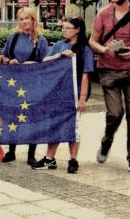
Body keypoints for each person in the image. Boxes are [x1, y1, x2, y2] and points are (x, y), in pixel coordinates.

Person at [89, 0, 130, 176]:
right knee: (114, 114)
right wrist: (103, 49)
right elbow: (92, 41)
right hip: (109, 70)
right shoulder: (103, 14)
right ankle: (106, 143)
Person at [37, 17, 95, 173]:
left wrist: (82, 98)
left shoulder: (85, 49)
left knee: (73, 126)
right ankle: (49, 158)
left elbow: (86, 75)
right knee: (55, 124)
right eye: (63, 28)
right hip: (58, 92)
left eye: (68, 28)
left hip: (75, 93)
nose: (64, 31)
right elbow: (45, 61)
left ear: (78, 30)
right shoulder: (59, 45)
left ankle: (73, 159)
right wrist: (59, 55)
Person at [1, 7, 49, 165]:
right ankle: (11, 151)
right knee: (13, 115)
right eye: (21, 19)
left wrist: (34, 64)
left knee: (32, 117)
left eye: (27, 18)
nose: (24, 22)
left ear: (33, 19)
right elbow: (4, 56)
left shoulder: (41, 40)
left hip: (33, 84)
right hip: (14, 83)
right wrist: (9, 61)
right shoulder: (13, 37)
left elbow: (46, 64)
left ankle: (31, 154)